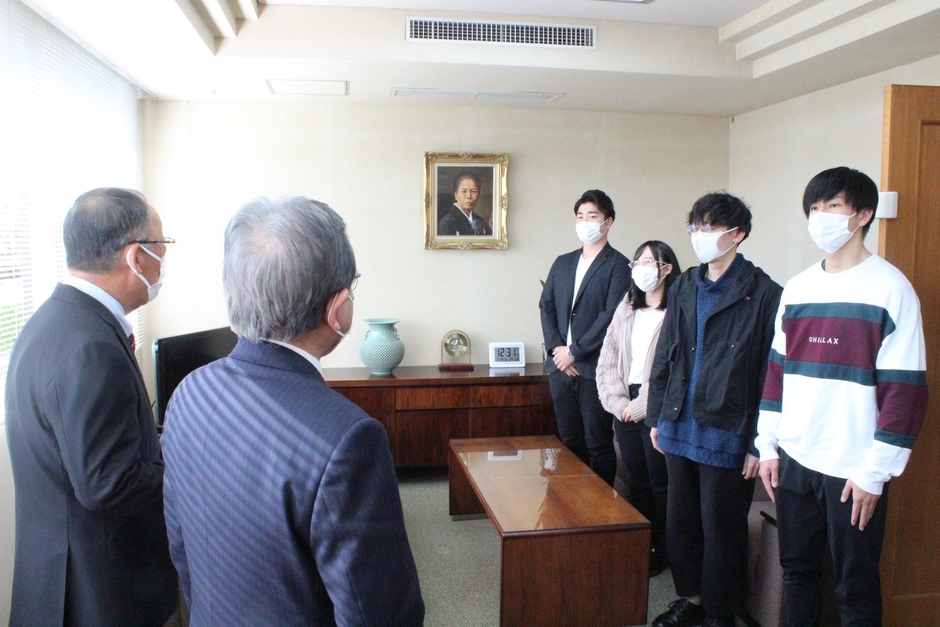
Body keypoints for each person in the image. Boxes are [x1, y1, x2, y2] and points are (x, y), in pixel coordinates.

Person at [161, 196, 425, 626]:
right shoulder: (348, 438)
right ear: (338, 307)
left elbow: (183, 550)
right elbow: (380, 613)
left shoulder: (190, 391)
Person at [756, 167, 927, 627]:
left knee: (855, 588)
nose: (820, 217)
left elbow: (906, 393)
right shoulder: (798, 288)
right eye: (814, 208)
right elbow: (777, 373)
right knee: (796, 573)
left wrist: (875, 472)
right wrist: (768, 445)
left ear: (863, 215)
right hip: (795, 457)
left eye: (832, 206)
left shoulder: (891, 288)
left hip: (854, 467)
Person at [4, 188, 178, 626]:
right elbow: (108, 484)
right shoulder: (92, 347)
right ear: (136, 257)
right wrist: (187, 463)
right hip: (99, 595)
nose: (164, 258)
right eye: (162, 244)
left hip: (54, 578)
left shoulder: (51, 321)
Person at [647, 192, 782, 627]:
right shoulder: (685, 284)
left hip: (728, 429)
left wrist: (759, 443)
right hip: (678, 424)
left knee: (722, 529)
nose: (699, 236)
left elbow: (770, 374)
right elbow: (666, 353)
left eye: (708, 227)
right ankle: (692, 600)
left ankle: (721, 613)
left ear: (737, 234)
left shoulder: (764, 293)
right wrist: (658, 416)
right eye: (695, 227)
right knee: (681, 523)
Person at [597, 240, 681, 577]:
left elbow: (674, 369)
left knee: (661, 483)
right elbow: (608, 360)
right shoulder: (626, 309)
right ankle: (644, 544)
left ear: (667, 268)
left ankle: (664, 548)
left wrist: (642, 406)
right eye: (637, 262)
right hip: (624, 405)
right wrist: (618, 403)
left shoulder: (677, 312)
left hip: (656, 407)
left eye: (649, 262)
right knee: (637, 481)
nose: (641, 268)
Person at [539, 189, 631, 486]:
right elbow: (546, 306)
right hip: (560, 368)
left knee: (598, 442)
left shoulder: (619, 265)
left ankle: (601, 505)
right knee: (569, 440)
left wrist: (575, 352)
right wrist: (558, 350)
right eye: (580, 216)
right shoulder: (563, 262)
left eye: (592, 216)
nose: (585, 222)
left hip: (594, 369)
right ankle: (571, 502)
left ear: (608, 221)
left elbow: (611, 316)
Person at [437, 171, 493, 236]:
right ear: (456, 195)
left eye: (473, 191)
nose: (469, 196)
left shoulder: (480, 221)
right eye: (464, 191)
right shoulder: (446, 224)